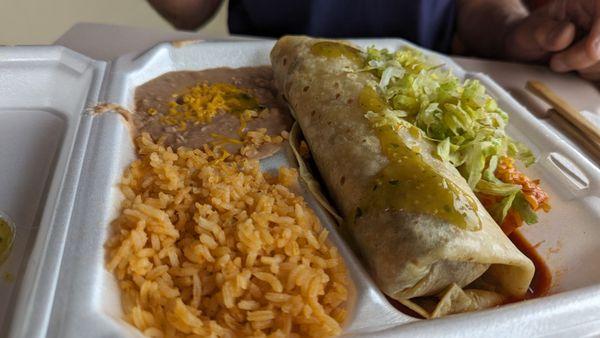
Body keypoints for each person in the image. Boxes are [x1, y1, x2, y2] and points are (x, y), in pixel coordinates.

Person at [148, 0, 600, 80]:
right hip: (266, 77)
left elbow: (480, 7)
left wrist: (517, 31)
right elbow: (186, 9)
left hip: (423, 83)